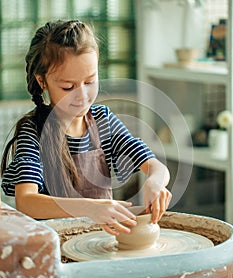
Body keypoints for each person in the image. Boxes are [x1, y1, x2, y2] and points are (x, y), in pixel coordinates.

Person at [1, 20, 172, 236]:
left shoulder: (103, 121)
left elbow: (155, 165)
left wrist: (155, 183)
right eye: (68, 87)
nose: (82, 96)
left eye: (90, 82)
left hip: (101, 242)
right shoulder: (33, 131)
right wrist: (89, 208)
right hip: (54, 250)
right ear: (42, 81)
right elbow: (26, 201)